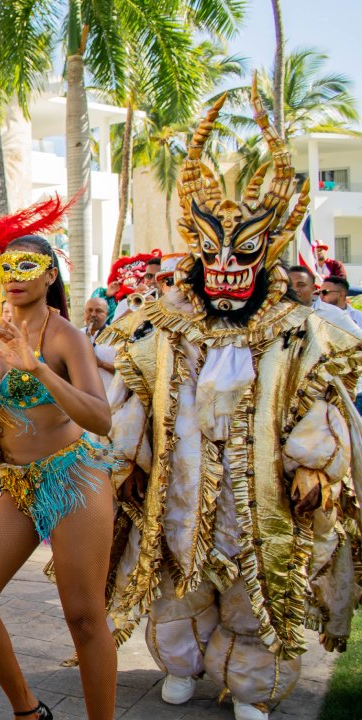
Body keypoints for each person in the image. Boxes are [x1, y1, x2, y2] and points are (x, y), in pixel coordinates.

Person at [102, 90, 362, 720]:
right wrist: (127, 460)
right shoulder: (161, 327)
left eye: (240, 253)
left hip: (261, 490)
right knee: (175, 582)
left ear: (266, 254)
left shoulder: (299, 330)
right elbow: (133, 398)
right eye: (213, 252)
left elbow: (320, 402)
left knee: (255, 589)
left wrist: (314, 468)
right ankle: (184, 664)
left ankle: (250, 685)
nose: (223, 267)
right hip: (180, 486)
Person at [0, 229, 117, 720]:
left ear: (49, 275)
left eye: (27, 268)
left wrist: (38, 367)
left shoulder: (67, 337)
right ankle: (27, 711)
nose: (14, 278)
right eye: (6, 268)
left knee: (84, 618)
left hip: (74, 478)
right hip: (19, 485)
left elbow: (100, 419)